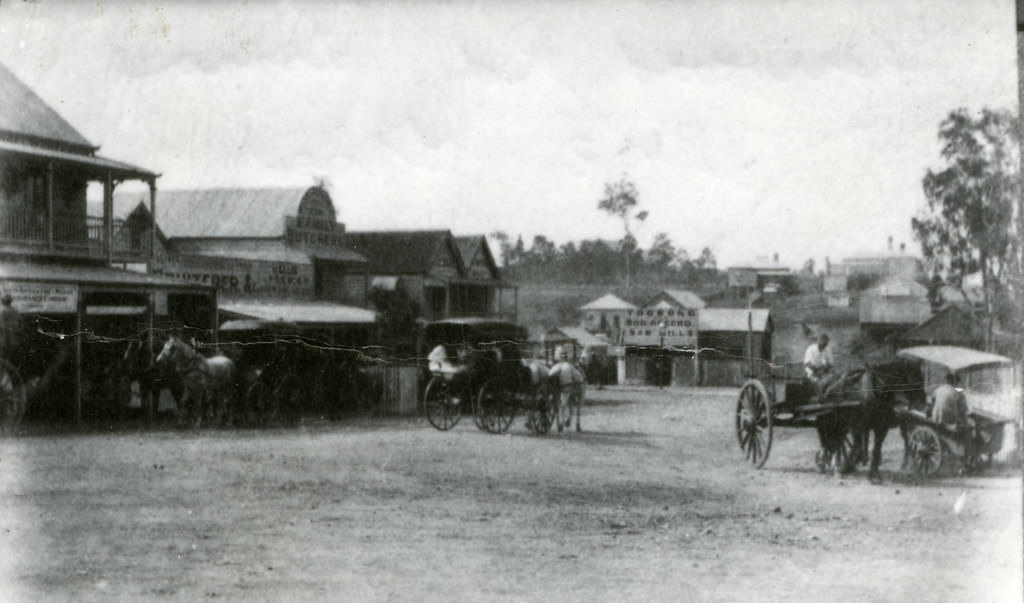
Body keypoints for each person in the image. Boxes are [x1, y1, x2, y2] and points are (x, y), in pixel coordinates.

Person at [931, 372, 973, 470]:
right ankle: (966, 455)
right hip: (949, 422)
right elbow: (963, 411)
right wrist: (965, 422)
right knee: (969, 428)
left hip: (936, 419)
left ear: (946, 381)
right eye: (958, 383)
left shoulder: (938, 390)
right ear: (956, 382)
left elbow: (933, 401)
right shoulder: (958, 393)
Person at [803, 333, 835, 400]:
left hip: (824, 372)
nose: (825, 344)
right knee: (818, 382)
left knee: (833, 380)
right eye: (823, 342)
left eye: (826, 343)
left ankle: (827, 396)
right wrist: (817, 369)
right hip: (812, 373)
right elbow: (808, 363)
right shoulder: (811, 349)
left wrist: (826, 368)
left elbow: (830, 363)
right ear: (819, 341)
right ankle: (818, 399)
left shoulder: (827, 350)